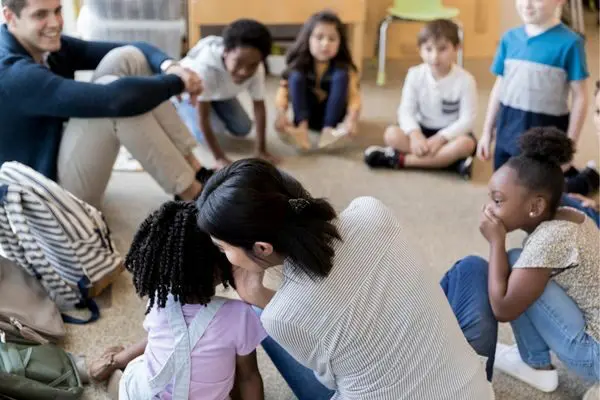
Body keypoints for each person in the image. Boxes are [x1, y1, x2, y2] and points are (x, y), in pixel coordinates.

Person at [195, 158, 496, 400]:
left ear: (262, 247)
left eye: (223, 248)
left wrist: (260, 299)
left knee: (265, 316)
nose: (224, 255)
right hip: (473, 391)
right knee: (470, 268)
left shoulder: (283, 315)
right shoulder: (371, 211)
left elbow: (329, 380)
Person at [0, 0, 211, 208]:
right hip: (44, 199)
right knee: (115, 103)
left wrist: (172, 67)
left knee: (128, 57)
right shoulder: (12, 73)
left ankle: (196, 168)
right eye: (40, 15)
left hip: (57, 155)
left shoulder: (43, 46)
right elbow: (115, 101)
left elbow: (135, 47)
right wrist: (178, 83)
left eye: (57, 11)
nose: (55, 23)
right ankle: (192, 195)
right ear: (10, 17)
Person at [88, 200, 267, 400]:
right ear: (221, 265)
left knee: (135, 370)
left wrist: (117, 361)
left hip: (145, 395)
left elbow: (163, 341)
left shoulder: (158, 301)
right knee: (234, 366)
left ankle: (111, 363)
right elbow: (249, 377)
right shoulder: (240, 316)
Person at [473, 127, 599, 395]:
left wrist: (496, 242)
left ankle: (534, 364)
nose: (488, 210)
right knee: (522, 263)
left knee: (513, 264)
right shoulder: (573, 216)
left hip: (594, 355)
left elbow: (504, 308)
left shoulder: (548, 240)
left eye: (497, 200)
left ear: (535, 207)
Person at [476, 0, 598, 195]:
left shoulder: (571, 43)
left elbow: (580, 97)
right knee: (504, 190)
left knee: (542, 194)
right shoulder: (509, 39)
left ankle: (588, 178)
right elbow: (499, 87)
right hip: (507, 130)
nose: (527, 4)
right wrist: (487, 132)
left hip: (546, 133)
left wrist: (570, 147)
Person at [364, 19, 477, 180]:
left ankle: (401, 160)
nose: (435, 57)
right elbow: (406, 111)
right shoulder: (414, 74)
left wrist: (441, 138)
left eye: (442, 49)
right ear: (420, 50)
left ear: (457, 48)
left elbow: (467, 120)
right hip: (421, 130)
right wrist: (415, 134)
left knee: (466, 144)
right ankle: (449, 163)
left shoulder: (466, 80)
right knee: (391, 134)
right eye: (428, 49)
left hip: (450, 135)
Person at [175, 19, 278, 168]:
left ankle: (213, 103)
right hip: (190, 95)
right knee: (205, 134)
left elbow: (259, 106)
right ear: (225, 52)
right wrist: (219, 158)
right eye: (238, 62)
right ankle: (176, 107)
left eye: (252, 65)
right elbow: (202, 118)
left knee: (243, 128)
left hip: (219, 94)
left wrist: (261, 149)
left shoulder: (257, 67)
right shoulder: (204, 69)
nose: (245, 71)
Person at [274, 10, 361, 150]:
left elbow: (354, 96)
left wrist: (352, 119)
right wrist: (281, 114)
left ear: (340, 43)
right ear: (308, 39)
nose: (325, 44)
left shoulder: (345, 69)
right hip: (307, 114)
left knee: (341, 76)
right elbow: (282, 93)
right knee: (296, 76)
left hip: (334, 116)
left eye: (332, 39)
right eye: (319, 37)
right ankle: (301, 130)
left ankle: (329, 131)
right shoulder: (297, 65)